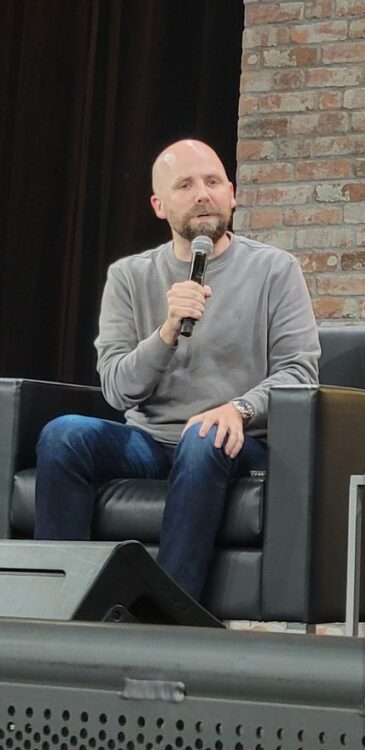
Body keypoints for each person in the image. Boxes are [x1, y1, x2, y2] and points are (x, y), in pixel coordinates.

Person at [33, 139, 320, 603]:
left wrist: (239, 408)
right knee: (63, 434)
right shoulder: (129, 276)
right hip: (151, 443)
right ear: (159, 205)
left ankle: (165, 616)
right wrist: (166, 332)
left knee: (203, 436)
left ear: (232, 193)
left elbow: (300, 369)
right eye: (185, 185)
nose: (202, 194)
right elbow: (118, 389)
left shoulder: (273, 269)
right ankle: (59, 608)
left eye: (212, 182)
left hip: (236, 442)